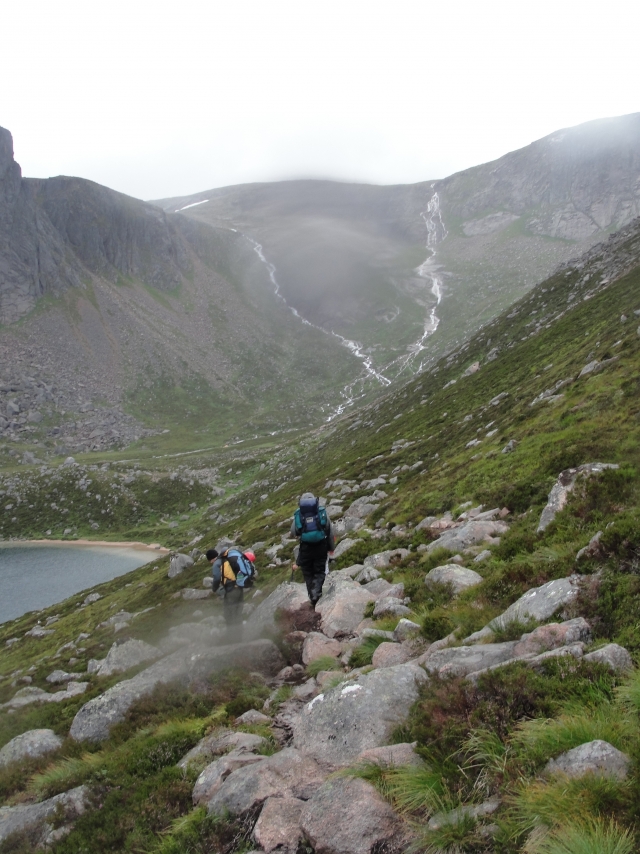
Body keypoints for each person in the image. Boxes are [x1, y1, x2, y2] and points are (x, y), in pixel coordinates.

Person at [290, 492, 335, 608]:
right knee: (320, 571)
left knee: (307, 572)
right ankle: (316, 592)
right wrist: (331, 548)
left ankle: (312, 596)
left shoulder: (299, 513)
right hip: (321, 545)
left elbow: (294, 531)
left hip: (305, 547)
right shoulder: (320, 511)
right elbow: (329, 531)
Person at [207, 547, 254, 640]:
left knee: (229, 613)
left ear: (211, 559)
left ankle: (232, 638)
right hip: (239, 588)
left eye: (210, 561)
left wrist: (214, 588)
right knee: (238, 613)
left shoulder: (217, 563)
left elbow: (216, 577)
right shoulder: (227, 560)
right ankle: (239, 637)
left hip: (231, 591)